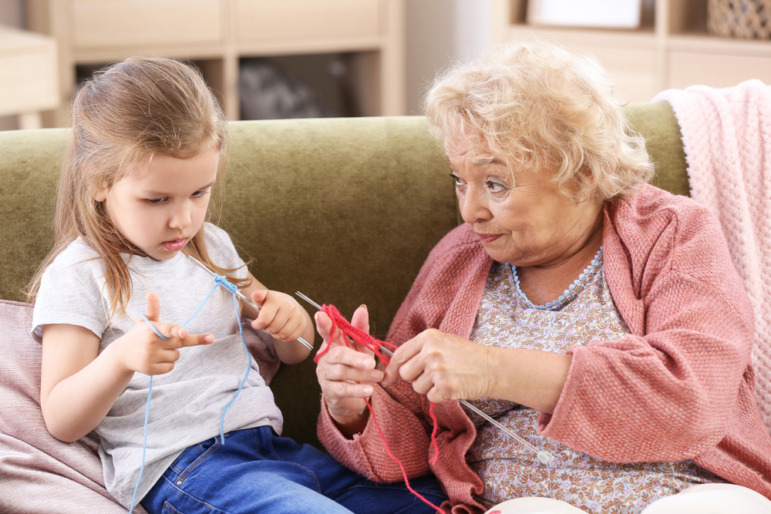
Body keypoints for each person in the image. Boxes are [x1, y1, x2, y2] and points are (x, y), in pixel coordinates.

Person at [313, 41, 771, 513]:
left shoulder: (674, 232)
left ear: (583, 173)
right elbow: (411, 438)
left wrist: (494, 369)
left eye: (495, 183)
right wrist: (355, 404)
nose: (470, 211)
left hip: (688, 489)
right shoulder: (458, 261)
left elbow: (692, 396)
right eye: (458, 180)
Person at [27, 56, 446, 514]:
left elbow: (295, 351)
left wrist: (289, 321)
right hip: (190, 468)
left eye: (199, 193)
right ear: (99, 182)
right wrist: (122, 360)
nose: (183, 219)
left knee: (431, 501)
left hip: (274, 452)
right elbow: (61, 418)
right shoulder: (80, 273)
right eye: (157, 199)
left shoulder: (211, 249)